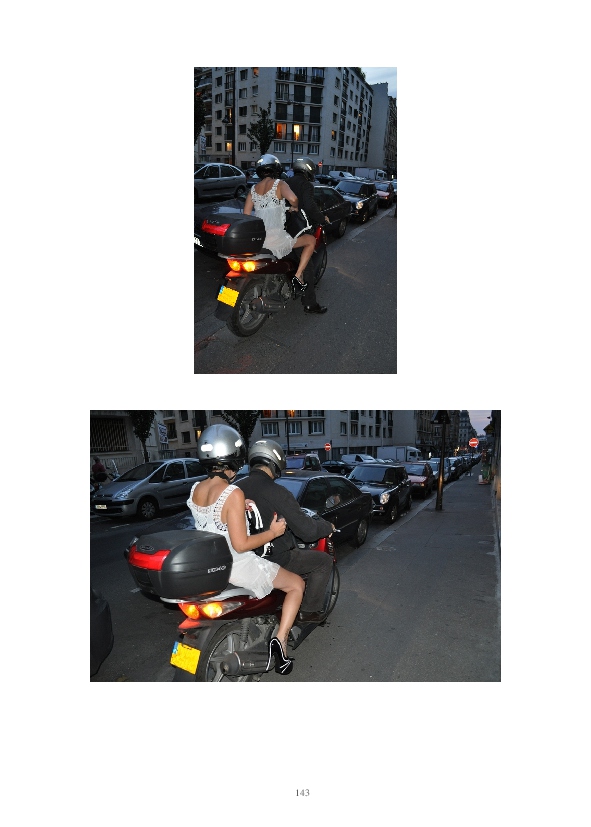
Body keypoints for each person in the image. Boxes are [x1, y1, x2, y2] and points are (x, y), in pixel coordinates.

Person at [188, 424, 304, 675]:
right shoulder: (233, 492)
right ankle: (281, 643)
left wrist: (238, 507)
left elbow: (213, 519)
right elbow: (241, 545)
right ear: (233, 458)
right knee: (296, 584)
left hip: (213, 564)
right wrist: (273, 533)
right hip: (238, 565)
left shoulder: (197, 489)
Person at [236, 439, 334, 624]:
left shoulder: (236, 488)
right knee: (323, 561)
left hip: (244, 558)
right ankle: (308, 612)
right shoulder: (276, 491)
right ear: (274, 463)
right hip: (274, 558)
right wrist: (327, 527)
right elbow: (307, 531)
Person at [243, 153, 316, 298]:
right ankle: (298, 276)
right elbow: (294, 199)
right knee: (310, 240)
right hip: (276, 239)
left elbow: (246, 215)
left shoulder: (253, 190)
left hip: (259, 240)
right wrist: (294, 207)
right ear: (276, 170)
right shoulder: (279, 184)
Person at [288, 156, 332, 314]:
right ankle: (310, 304)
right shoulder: (306, 185)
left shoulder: (285, 182)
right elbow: (309, 205)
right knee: (308, 267)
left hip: (280, 229)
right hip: (297, 230)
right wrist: (321, 218)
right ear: (308, 171)